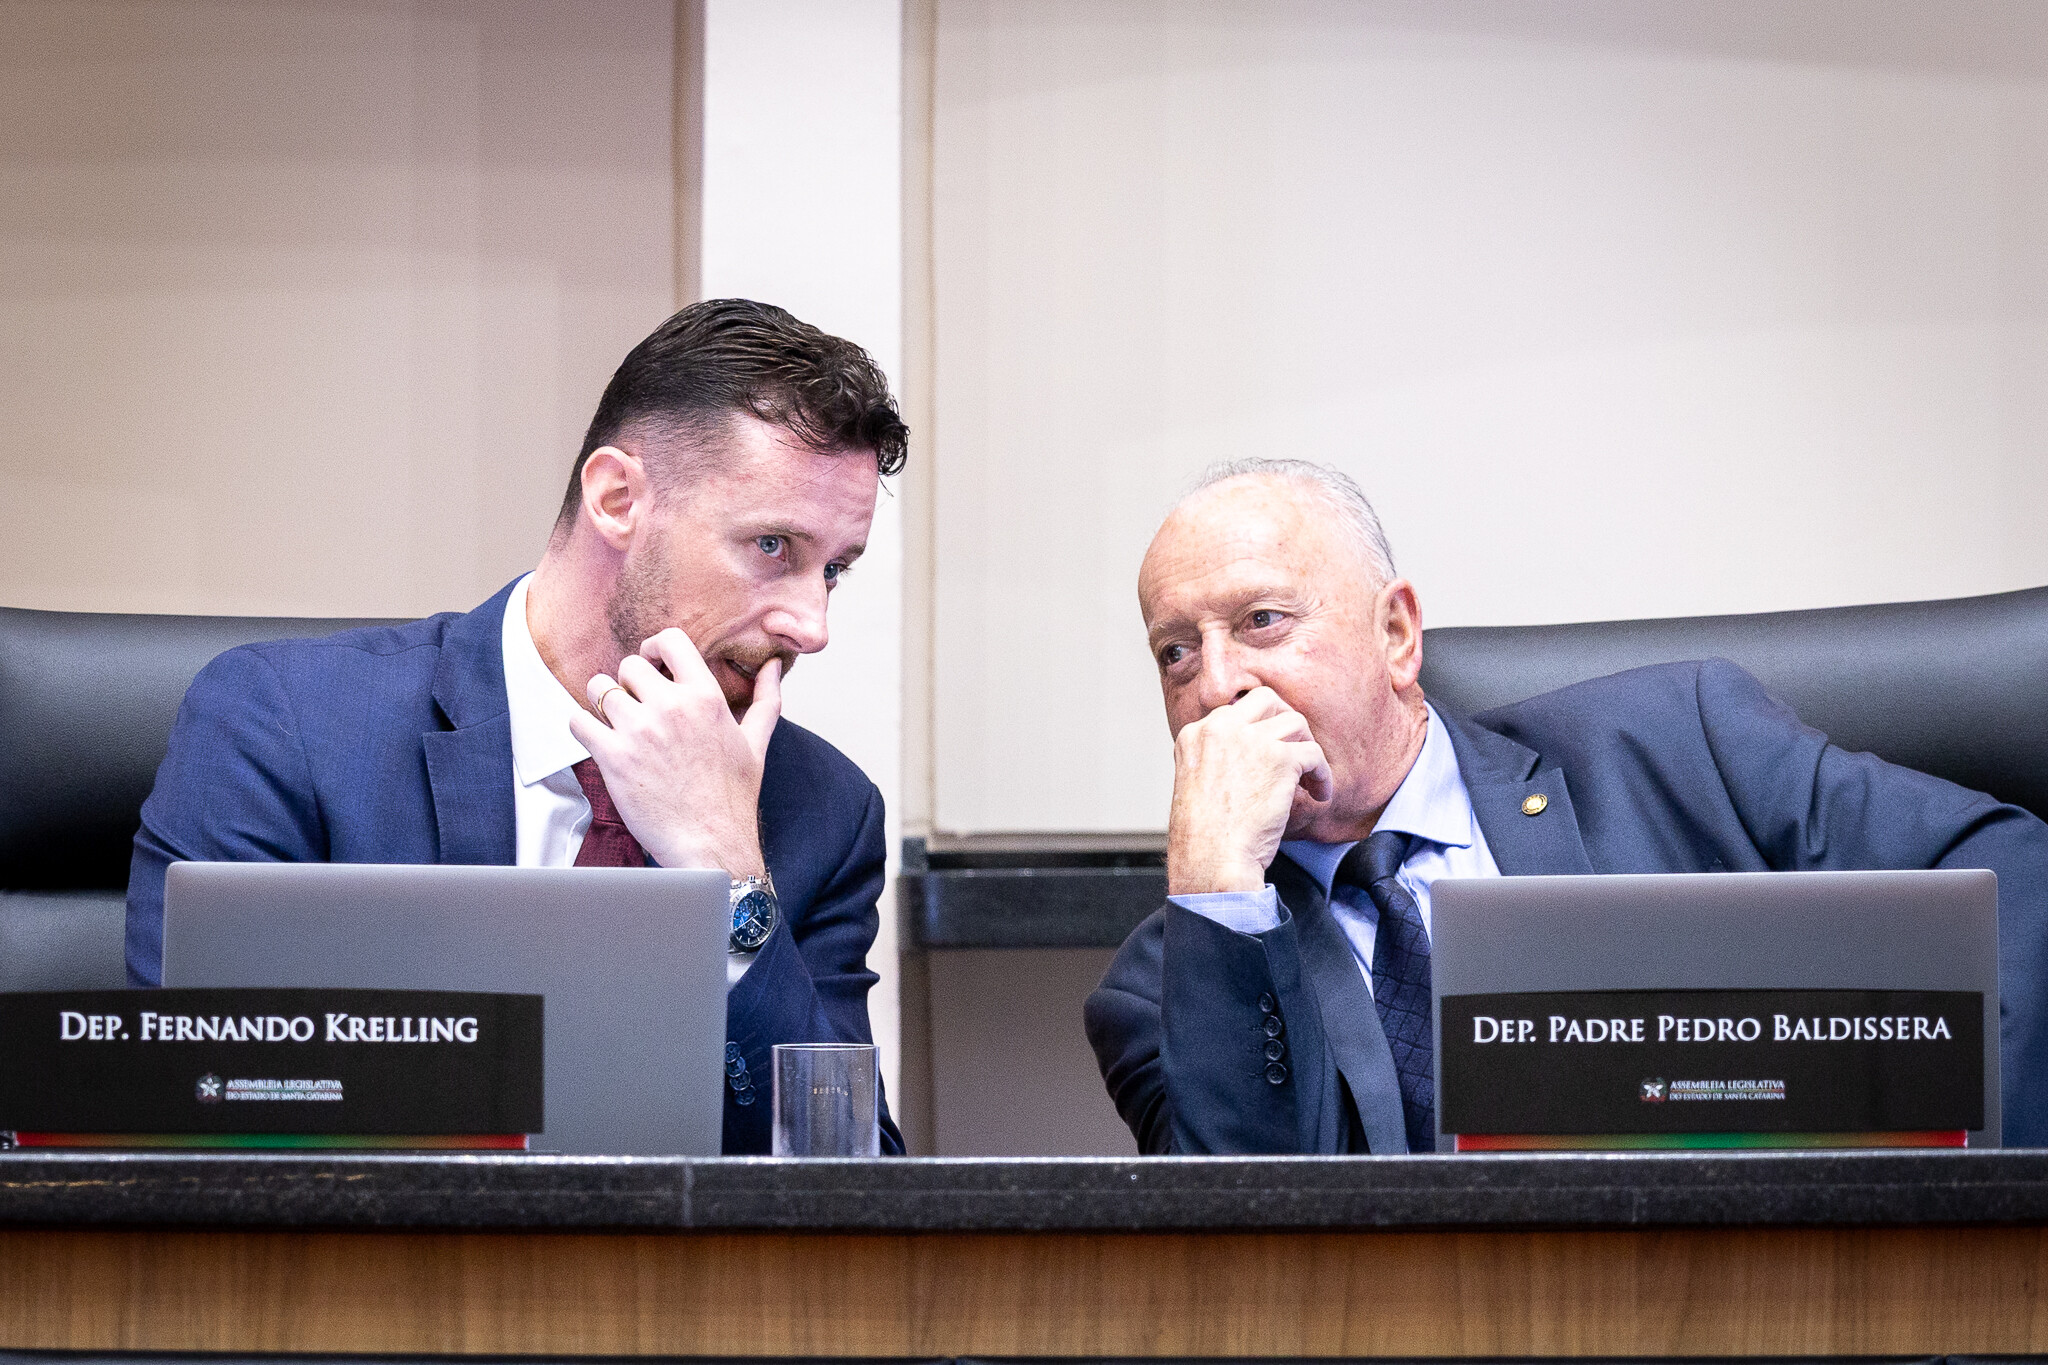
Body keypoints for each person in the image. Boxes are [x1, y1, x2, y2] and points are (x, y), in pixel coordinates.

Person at [1085, 457, 2048, 1154]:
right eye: (1176, 652)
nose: (1217, 684)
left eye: (1262, 621)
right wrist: (1222, 893)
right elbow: (1250, 1257)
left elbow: (2013, 872)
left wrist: (1955, 1220)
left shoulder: (1683, 747)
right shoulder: (1166, 982)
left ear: (1397, 634)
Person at [128, 298, 908, 1155]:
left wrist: (728, 871)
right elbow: (191, 1114)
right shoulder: (285, 724)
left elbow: (849, 1171)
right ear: (617, 498)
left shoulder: (822, 810)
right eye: (772, 547)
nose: (811, 625)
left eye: (834, 570)